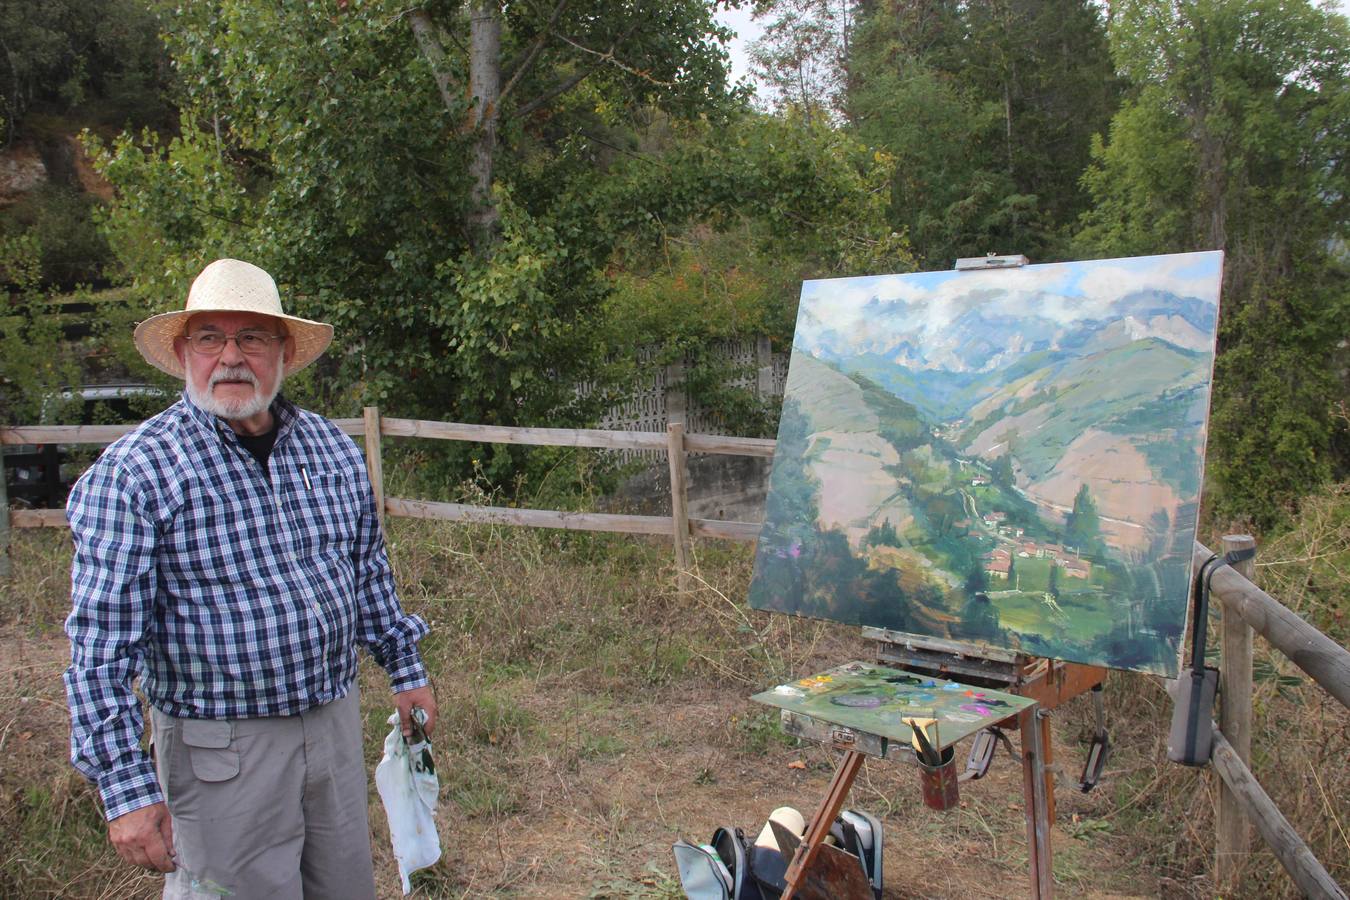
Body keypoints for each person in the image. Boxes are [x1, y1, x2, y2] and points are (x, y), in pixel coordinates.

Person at [64, 258, 436, 899]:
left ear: (284, 352)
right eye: (211, 337)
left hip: (332, 724)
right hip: (220, 752)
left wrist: (405, 670)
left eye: (252, 338)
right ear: (183, 351)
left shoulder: (330, 449)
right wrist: (123, 786)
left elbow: (367, 572)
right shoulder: (135, 474)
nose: (230, 356)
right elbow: (99, 648)